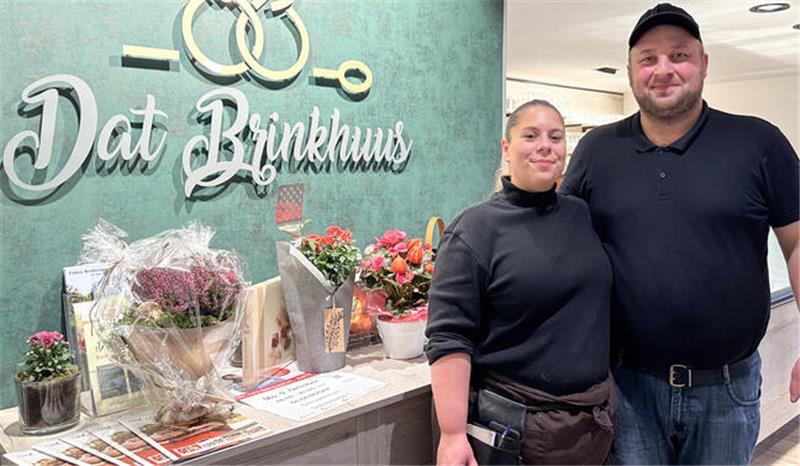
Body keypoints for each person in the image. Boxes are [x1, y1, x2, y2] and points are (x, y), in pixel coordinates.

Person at [560, 3, 800, 464]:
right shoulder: (596, 150)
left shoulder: (759, 143)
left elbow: (796, 243)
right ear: (630, 72)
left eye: (679, 55)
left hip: (727, 391)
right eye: (648, 59)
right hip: (627, 387)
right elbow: (564, 249)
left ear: (704, 63)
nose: (663, 69)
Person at [425, 100, 617, 465]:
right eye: (530, 135)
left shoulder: (579, 214)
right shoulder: (475, 229)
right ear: (506, 148)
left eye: (555, 137)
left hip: (591, 426)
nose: (545, 145)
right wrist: (452, 434)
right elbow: (449, 337)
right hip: (517, 431)